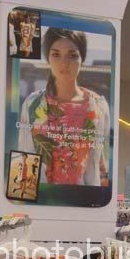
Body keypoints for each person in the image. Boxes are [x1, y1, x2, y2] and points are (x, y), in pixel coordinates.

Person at [18, 28, 110, 186]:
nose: (64, 63)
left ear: (82, 59)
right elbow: (24, 156)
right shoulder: (32, 103)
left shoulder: (99, 106)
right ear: (48, 58)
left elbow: (101, 163)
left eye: (72, 55)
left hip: (85, 199)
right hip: (43, 198)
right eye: (56, 55)